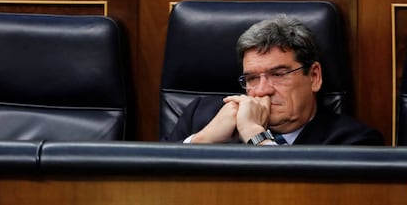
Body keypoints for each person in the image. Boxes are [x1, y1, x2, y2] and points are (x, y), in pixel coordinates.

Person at [163, 15, 384, 146]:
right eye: (251, 78)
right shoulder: (199, 116)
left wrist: (254, 133)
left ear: (314, 76)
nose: (261, 91)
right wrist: (201, 142)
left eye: (278, 75)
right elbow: (155, 184)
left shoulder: (352, 141)